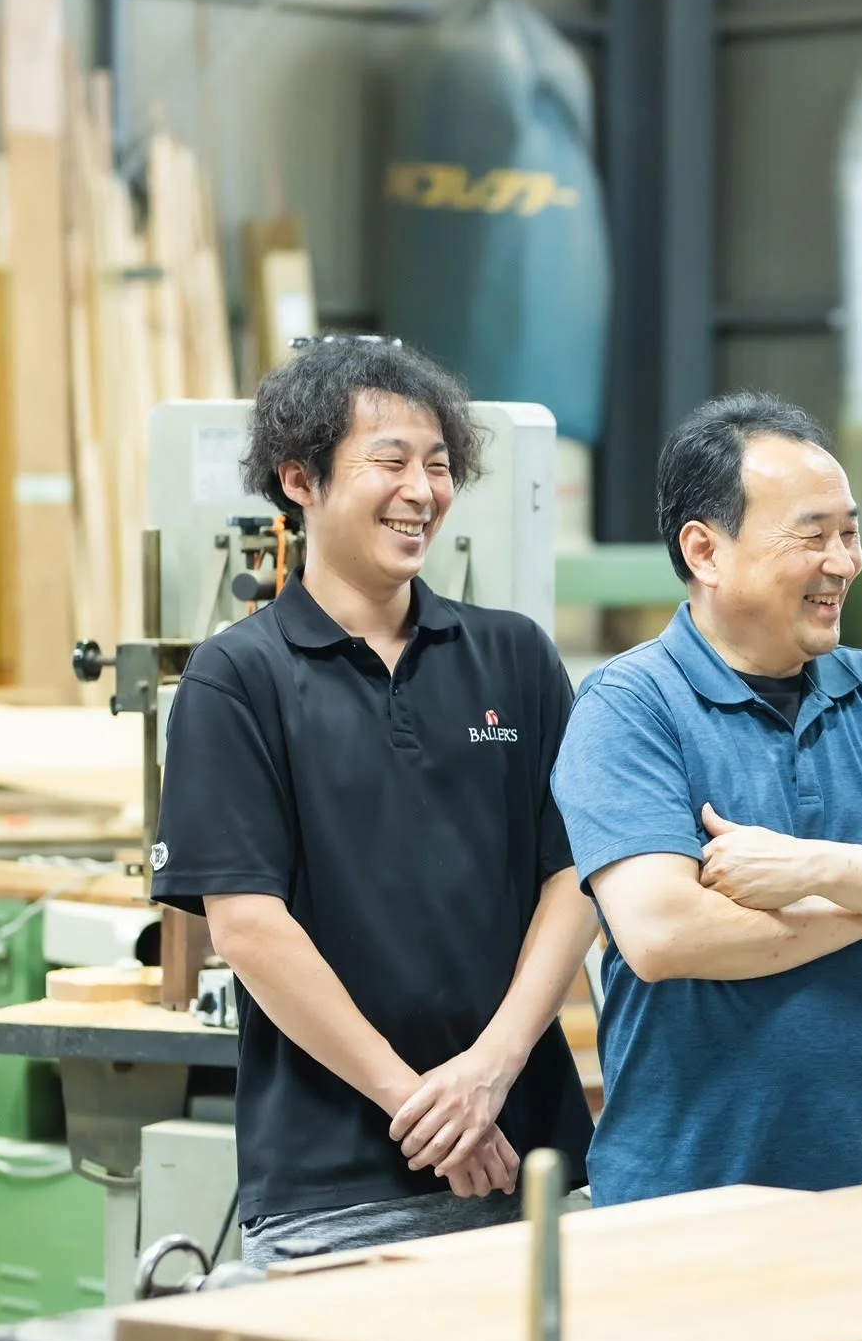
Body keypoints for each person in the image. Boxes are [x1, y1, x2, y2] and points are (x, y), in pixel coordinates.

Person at [151, 337, 595, 1268]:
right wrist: (422, 1107)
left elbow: (575, 878)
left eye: (438, 465)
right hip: (333, 1187)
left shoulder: (514, 657)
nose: (422, 490)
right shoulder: (238, 679)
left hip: (532, 1165)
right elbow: (247, 926)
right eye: (389, 462)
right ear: (300, 479)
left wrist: (491, 1071)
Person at [550, 391, 862, 1206]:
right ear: (705, 551)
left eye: (850, 532)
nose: (844, 561)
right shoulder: (630, 706)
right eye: (813, 535)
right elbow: (664, 933)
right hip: (681, 1201)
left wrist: (812, 867)